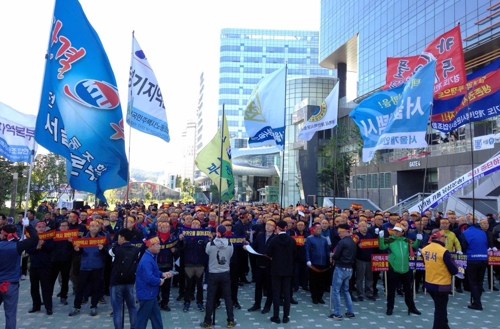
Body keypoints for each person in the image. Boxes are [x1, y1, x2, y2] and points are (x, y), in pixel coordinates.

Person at [0, 219, 38, 329]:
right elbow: (35, 239)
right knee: (10, 314)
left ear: (3, 234)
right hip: (10, 284)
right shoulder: (18, 246)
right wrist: (28, 226)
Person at [378, 223, 422, 316]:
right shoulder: (390, 240)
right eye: (395, 230)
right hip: (394, 268)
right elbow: (382, 247)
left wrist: (418, 239)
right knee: (391, 290)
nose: (396, 232)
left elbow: (414, 246)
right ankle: (390, 308)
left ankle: (412, 307)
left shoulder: (406, 240)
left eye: (398, 231)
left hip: (405, 268)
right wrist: (381, 238)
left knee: (408, 290)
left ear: (402, 232)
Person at [69, 220, 108, 317]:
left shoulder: (103, 239)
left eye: (96, 226)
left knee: (96, 288)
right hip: (85, 267)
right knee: (80, 288)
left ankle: (93, 306)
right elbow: (78, 254)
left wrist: (102, 249)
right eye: (92, 226)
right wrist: (77, 250)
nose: (94, 227)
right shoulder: (82, 240)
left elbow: (107, 254)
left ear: (99, 228)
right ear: (89, 228)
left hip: (97, 267)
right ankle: (76, 306)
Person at [201, 224, 236, 329]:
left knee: (210, 298)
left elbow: (207, 253)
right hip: (225, 272)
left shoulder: (210, 244)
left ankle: (208, 321)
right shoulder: (230, 244)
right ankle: (230, 320)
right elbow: (230, 255)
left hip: (213, 273)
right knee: (228, 298)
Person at [422, 230, 459, 329]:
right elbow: (454, 270)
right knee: (440, 310)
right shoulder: (443, 251)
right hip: (441, 284)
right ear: (439, 237)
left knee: (441, 308)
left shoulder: (425, 249)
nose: (445, 239)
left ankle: (445, 326)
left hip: (429, 282)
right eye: (445, 237)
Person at [135, 234, 173, 329]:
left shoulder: (151, 256)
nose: (160, 246)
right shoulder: (147, 260)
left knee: (156, 318)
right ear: (150, 246)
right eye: (157, 244)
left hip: (151, 294)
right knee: (142, 320)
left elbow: (154, 271)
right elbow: (149, 278)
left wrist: (162, 274)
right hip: (147, 294)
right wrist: (159, 281)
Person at [267, 220, 296, 324]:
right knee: (287, 293)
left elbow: (269, 253)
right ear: (286, 228)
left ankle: (276, 316)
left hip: (276, 269)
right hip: (288, 270)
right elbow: (294, 254)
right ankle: (285, 316)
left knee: (276, 293)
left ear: (277, 228)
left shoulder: (274, 240)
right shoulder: (292, 240)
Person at [109, 229, 140, 329]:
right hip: (130, 281)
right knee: (132, 307)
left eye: (118, 237)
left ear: (122, 238)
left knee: (117, 309)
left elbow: (109, 253)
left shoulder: (115, 249)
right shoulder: (136, 250)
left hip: (116, 282)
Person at [246, 219, 276, 314]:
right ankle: (257, 304)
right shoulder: (260, 235)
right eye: (267, 224)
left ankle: (267, 306)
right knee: (258, 286)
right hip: (259, 264)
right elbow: (254, 246)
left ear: (274, 228)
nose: (268, 226)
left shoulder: (275, 238)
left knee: (269, 287)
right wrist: (247, 246)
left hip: (269, 266)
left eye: (270, 225)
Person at [329, 223, 357, 321]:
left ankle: (337, 313)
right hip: (349, 269)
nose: (339, 234)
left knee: (335, 291)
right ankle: (350, 312)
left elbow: (336, 256)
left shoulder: (342, 242)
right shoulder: (353, 242)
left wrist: (332, 256)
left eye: (341, 232)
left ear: (346, 231)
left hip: (340, 268)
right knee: (345, 291)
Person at [27, 221, 55, 315]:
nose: (41, 228)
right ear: (36, 228)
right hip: (34, 266)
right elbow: (28, 250)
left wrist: (44, 244)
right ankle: (36, 306)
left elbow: (51, 248)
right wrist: (37, 247)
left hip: (45, 266)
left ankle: (48, 307)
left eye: (43, 227)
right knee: (34, 287)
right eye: (39, 227)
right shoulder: (32, 238)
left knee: (46, 287)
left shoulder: (49, 237)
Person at [463, 222, 488, 310]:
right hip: (484, 258)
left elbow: (464, 246)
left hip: (472, 259)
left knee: (472, 282)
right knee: (479, 282)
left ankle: (477, 303)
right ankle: (477, 301)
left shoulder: (465, 233)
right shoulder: (483, 232)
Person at [305, 222, 330, 304]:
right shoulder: (309, 238)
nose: (319, 230)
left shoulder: (324, 239)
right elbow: (307, 250)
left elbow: (327, 250)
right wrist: (308, 260)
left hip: (323, 263)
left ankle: (320, 296)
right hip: (314, 263)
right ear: (314, 229)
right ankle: (314, 297)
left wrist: (329, 258)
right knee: (313, 281)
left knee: (322, 281)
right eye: (317, 229)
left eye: (320, 229)